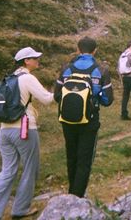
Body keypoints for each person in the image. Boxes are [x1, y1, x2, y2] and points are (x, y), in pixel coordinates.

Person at [0, 47, 54, 220]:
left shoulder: (8, 79)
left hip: (4, 130)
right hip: (24, 129)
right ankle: (20, 210)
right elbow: (47, 99)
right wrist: (65, 90)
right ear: (26, 61)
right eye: (34, 58)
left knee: (7, 170)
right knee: (29, 168)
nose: (37, 60)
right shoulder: (27, 78)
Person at [54, 37, 113, 197]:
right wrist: (95, 97)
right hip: (89, 121)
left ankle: (71, 191)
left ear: (78, 49)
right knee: (84, 159)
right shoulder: (101, 70)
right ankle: (77, 196)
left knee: (71, 155)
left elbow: (57, 95)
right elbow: (108, 100)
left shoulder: (66, 68)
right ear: (95, 50)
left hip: (67, 119)